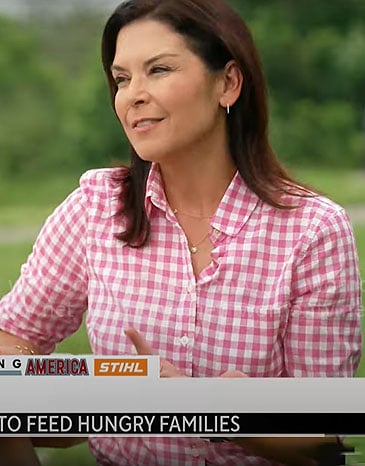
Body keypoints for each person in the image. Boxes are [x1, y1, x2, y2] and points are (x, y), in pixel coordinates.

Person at [0, 0, 362, 465]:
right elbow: (11, 336)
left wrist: (197, 407)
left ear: (228, 83)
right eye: (122, 78)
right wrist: (100, 392)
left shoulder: (313, 229)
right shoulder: (95, 208)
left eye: (159, 70)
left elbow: (324, 437)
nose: (132, 95)